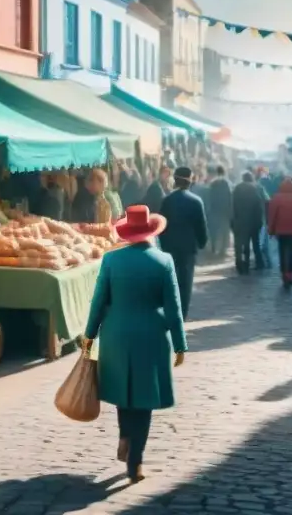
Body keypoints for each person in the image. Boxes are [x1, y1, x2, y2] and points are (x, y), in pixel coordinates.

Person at [81, 205, 187, 484]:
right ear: (151, 232)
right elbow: (174, 308)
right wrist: (180, 343)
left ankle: (124, 437)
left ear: (126, 233)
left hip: (116, 334)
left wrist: (89, 334)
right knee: (144, 399)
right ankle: (135, 462)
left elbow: (99, 301)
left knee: (122, 393)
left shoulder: (111, 260)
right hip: (151, 336)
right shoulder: (163, 261)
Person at [158, 167, 208, 319]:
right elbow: (201, 226)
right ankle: (182, 314)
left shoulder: (167, 200)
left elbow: (161, 225)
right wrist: (202, 242)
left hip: (169, 248)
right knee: (185, 284)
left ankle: (170, 310)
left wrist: (162, 244)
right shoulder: (196, 201)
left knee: (170, 281)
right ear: (190, 181)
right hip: (188, 249)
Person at [268, 177, 292, 288]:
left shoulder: (276, 198)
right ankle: (290, 275)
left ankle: (284, 274)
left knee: (282, 251)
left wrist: (271, 230)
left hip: (280, 231)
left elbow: (272, 215)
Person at [232, 171, 266, 273]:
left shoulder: (237, 189)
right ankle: (255, 263)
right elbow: (258, 207)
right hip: (253, 222)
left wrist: (232, 221)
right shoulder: (254, 189)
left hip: (240, 221)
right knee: (255, 243)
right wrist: (259, 221)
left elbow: (232, 205)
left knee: (241, 244)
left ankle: (241, 265)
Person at [207, 165, 233, 257]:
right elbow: (230, 198)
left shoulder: (212, 183)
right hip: (224, 211)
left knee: (214, 231)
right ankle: (222, 250)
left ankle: (213, 248)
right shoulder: (227, 183)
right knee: (224, 231)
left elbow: (209, 197)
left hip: (214, 210)